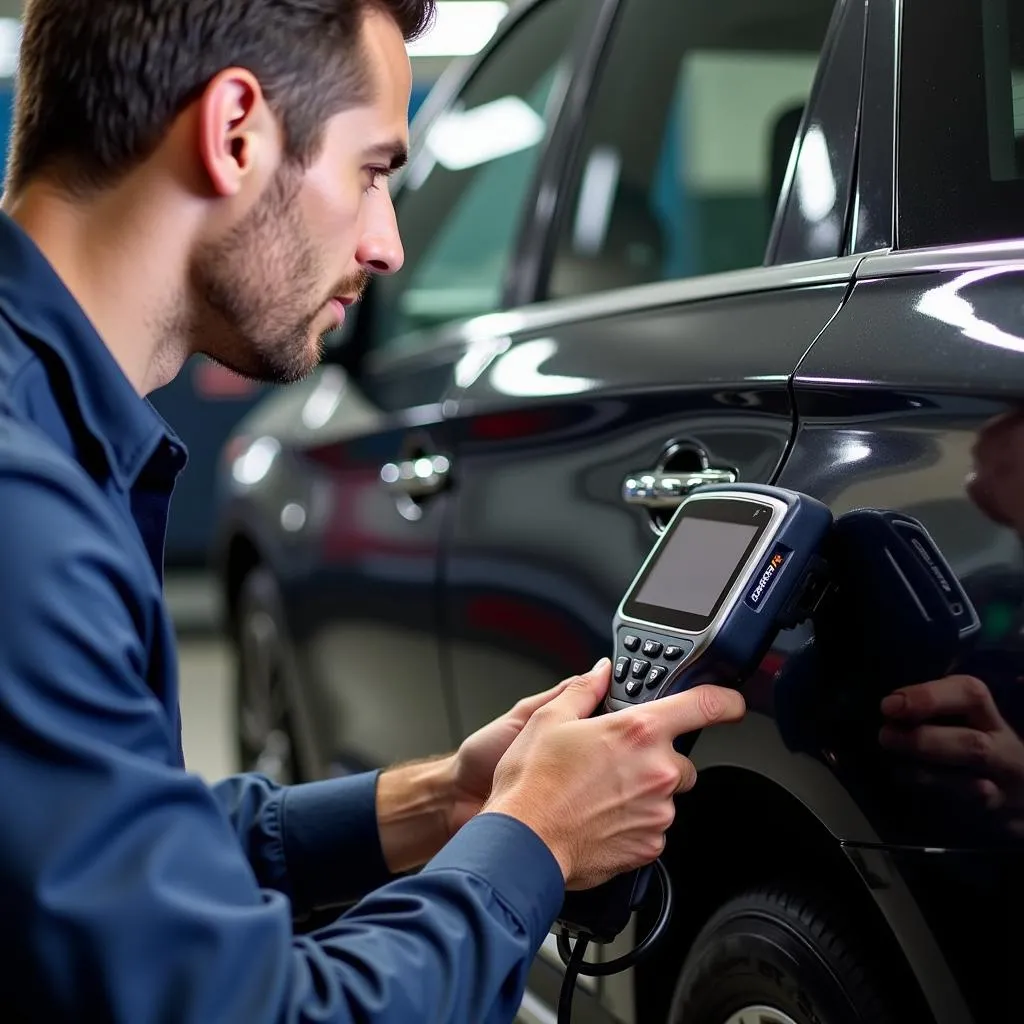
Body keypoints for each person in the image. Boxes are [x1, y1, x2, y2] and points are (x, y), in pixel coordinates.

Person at [0, 1, 747, 1021]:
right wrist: (531, 842)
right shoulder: (22, 511)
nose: (388, 244)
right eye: (372, 171)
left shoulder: (45, 438)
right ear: (234, 135)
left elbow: (108, 855)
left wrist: (443, 802)